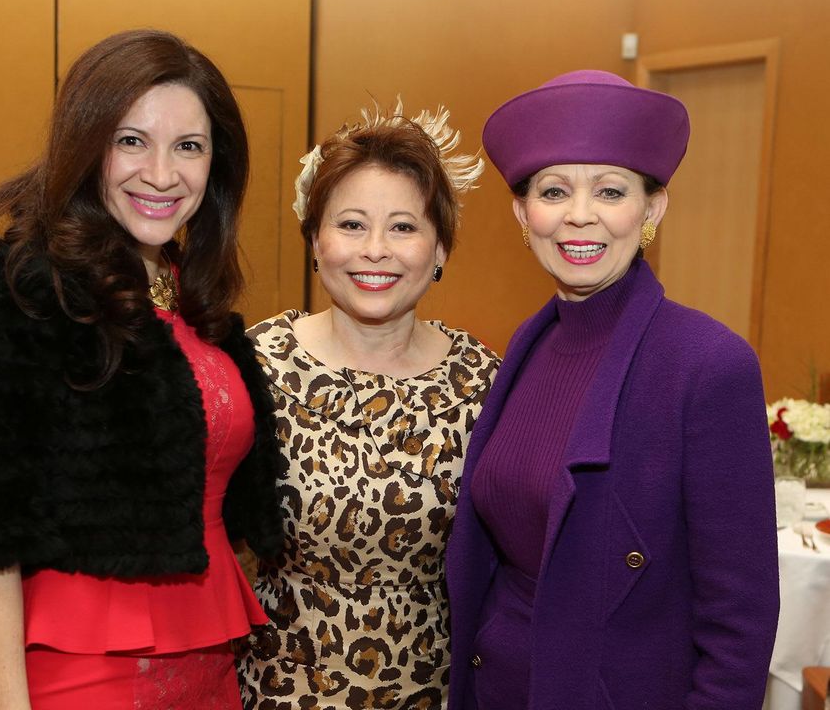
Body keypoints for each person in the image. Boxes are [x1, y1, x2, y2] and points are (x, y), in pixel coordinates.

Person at [0, 29, 284, 710]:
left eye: (188, 146)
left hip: (210, 662)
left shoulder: (195, 296)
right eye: (131, 140)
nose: (161, 174)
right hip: (83, 670)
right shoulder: (30, 292)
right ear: (86, 145)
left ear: (216, 163)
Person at [446, 70, 779, 710]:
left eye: (610, 190)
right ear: (522, 212)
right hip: (499, 686)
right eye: (553, 191)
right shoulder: (528, 344)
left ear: (652, 208)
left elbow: (740, 614)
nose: (579, 216)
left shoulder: (708, 364)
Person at [237, 100, 499, 710]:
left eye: (404, 227)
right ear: (315, 239)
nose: (375, 249)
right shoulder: (256, 364)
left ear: (440, 250)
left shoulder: (482, 381)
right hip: (278, 686)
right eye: (351, 224)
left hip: (430, 688)